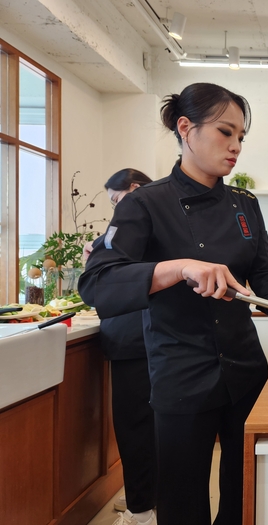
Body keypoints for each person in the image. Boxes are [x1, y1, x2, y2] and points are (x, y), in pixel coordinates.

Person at [78, 82, 268, 525]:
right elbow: (98, 284)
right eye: (225, 132)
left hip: (245, 370)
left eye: (241, 138)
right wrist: (178, 267)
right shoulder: (145, 204)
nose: (236, 147)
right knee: (182, 505)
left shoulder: (244, 204)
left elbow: (266, 276)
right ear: (186, 128)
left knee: (246, 495)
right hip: (180, 374)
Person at [84, 168, 157, 525]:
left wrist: (98, 256)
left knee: (135, 427)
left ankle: (141, 511)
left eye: (116, 200)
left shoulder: (139, 218)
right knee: (151, 427)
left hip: (133, 337)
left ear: (134, 189)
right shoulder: (154, 218)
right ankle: (146, 500)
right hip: (149, 336)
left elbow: (105, 284)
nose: (116, 209)